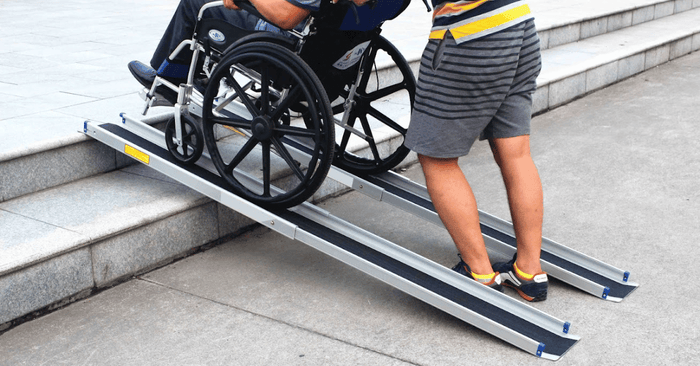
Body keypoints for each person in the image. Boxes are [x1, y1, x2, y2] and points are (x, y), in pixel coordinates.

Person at [404, 0, 549, 301]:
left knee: (436, 158)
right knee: (516, 152)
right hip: (517, 23)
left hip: (470, 34)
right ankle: (529, 271)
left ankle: (479, 273)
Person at [127, 0, 325, 98]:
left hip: (277, 40)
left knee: (195, 3)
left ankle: (168, 80)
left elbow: (287, 17)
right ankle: (202, 76)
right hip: (319, 47)